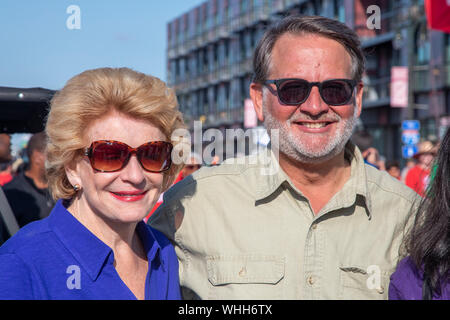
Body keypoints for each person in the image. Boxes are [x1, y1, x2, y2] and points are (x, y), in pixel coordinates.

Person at [149, 15, 418, 299]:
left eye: (335, 90)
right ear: (258, 100)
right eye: (293, 90)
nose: (315, 107)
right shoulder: (194, 205)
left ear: (358, 98)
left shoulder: (409, 219)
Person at [0, 68, 183, 300]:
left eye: (153, 154)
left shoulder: (164, 252)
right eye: (110, 155)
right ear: (72, 167)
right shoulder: (20, 266)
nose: (135, 176)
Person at [389, 128, 449, 299]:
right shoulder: (413, 171)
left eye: (430, 154)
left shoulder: (435, 170)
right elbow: (411, 193)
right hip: (429, 208)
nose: (427, 157)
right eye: (424, 155)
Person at [2, 132, 55, 236]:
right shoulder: (10, 194)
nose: (61, 161)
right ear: (37, 157)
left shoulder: (63, 189)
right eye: (55, 155)